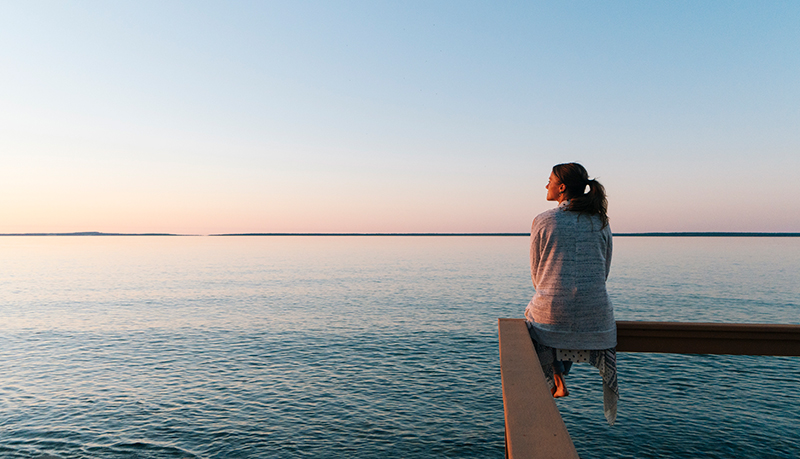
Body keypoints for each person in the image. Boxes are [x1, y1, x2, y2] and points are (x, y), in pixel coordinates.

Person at [525, 162, 618, 424]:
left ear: (562, 188)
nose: (546, 185)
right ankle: (561, 375)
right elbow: (605, 270)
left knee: (538, 317)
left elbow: (537, 274)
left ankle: (557, 377)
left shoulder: (544, 220)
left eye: (549, 180)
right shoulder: (600, 221)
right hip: (597, 315)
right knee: (564, 318)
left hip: (553, 312)